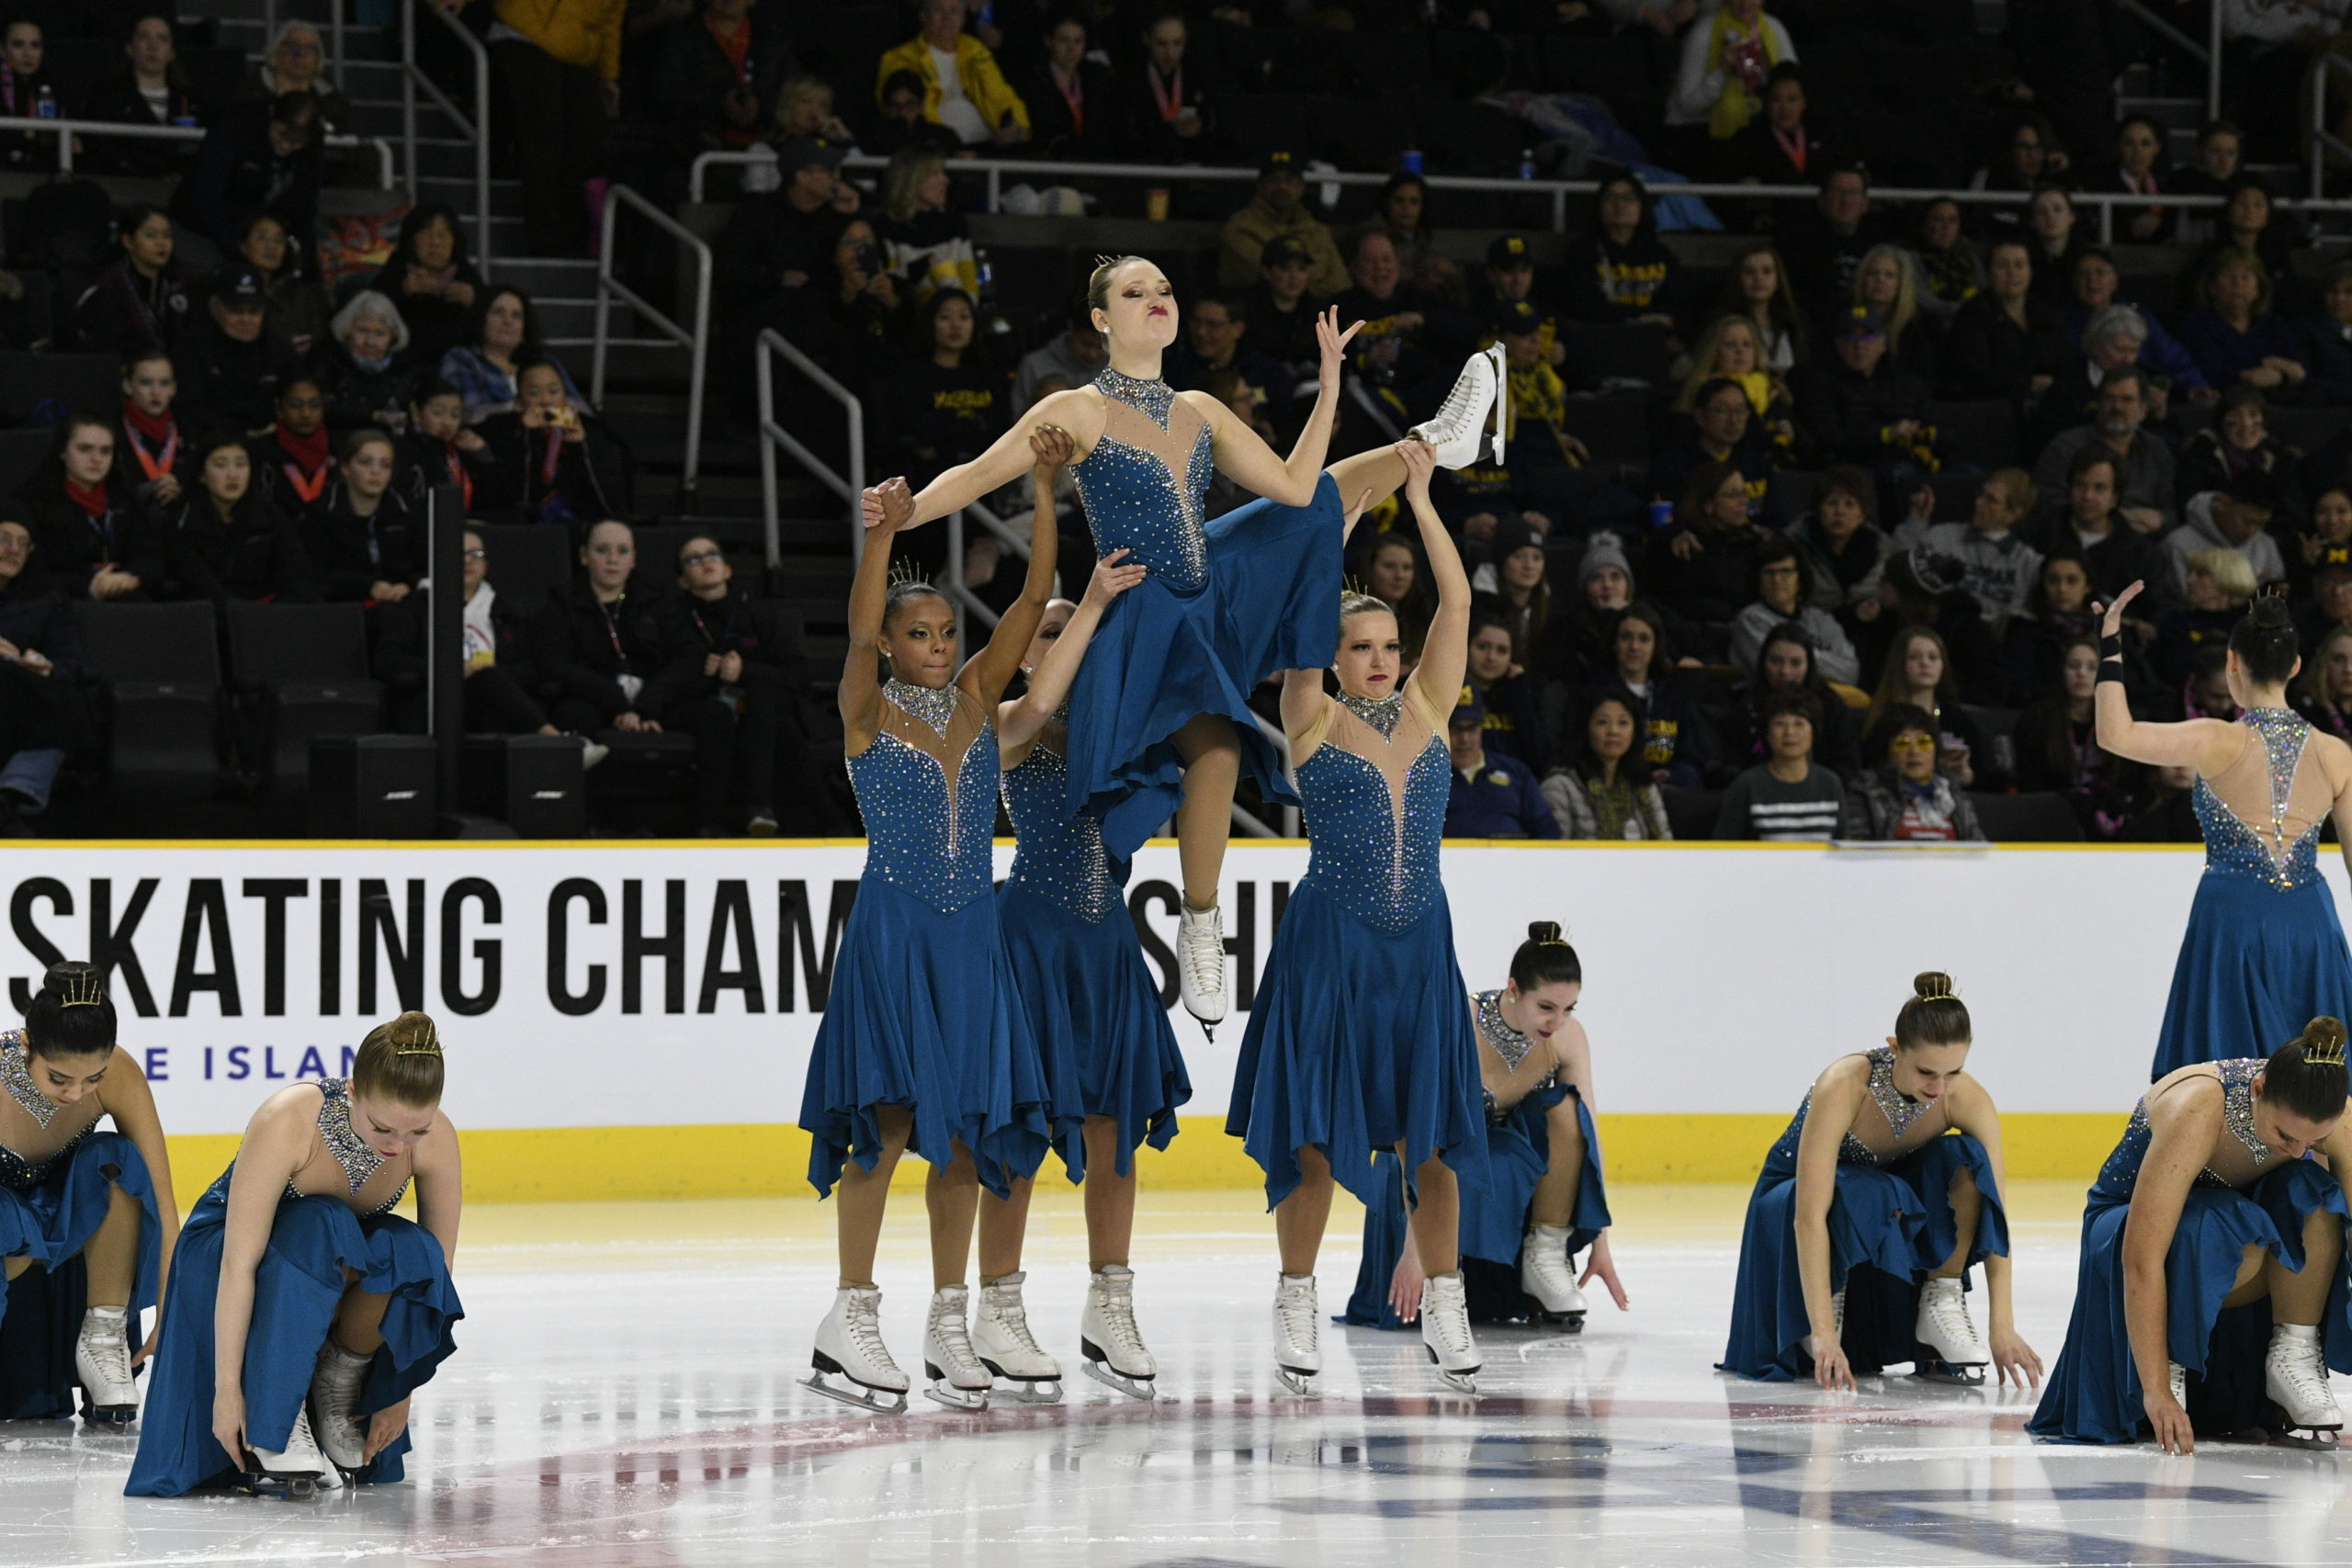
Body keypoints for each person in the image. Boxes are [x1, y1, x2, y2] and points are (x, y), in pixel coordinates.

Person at [859, 255, 1494, 1034]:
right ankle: (1200, 920)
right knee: (1218, 752)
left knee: (1316, 504)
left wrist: (1330, 384)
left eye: (1164, 288)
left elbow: (1295, 485)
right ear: (1101, 319)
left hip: (1212, 590)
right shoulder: (1078, 408)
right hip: (1141, 610)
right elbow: (981, 473)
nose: (1157, 298)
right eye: (1135, 292)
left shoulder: (1199, 408)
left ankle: (1435, 442)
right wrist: (907, 511)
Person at [796, 428, 1060, 1416]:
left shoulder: (981, 700)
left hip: (971, 942)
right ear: (893, 644)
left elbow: (1032, 602)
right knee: (887, 1122)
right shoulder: (866, 709)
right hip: (896, 936)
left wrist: (1043, 487)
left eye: (947, 633)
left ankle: (951, 1319)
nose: (940, 647)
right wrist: (884, 533)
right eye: (921, 635)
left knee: (965, 1135)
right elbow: (857, 630)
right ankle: (850, 1313)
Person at [1226, 440, 1488, 1394]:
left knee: (1431, 1141)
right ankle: (1296, 1296)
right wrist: (1318, 538)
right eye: (1359, 647)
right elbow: (1300, 616)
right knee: (1310, 1137)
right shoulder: (1310, 715)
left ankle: (1447, 1302)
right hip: (1330, 948)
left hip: (1419, 949)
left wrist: (1421, 498)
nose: (1378, 660)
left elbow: (1457, 603)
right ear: (1331, 659)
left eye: (1387, 645)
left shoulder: (1428, 707)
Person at [984, 537, 1188, 1402]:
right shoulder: (1010, 722)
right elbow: (1040, 704)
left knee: (1116, 1127)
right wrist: (1092, 602)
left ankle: (1112, 1304)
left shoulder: (1120, 735)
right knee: (1022, 1131)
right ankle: (998, 1308)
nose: (1068, 637)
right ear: (1027, 648)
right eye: (1050, 629)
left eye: (1077, 628)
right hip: (1032, 940)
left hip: (1106, 944)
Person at [126, 1010, 461, 1496]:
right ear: (352, 1090)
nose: (398, 1146)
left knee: (410, 1249)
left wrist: (399, 1387)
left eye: (417, 1133)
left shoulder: (437, 1138)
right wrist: (227, 1392)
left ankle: (338, 1384)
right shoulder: (290, 1118)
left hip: (321, 1267)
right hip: (224, 1258)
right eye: (383, 1128)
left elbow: (433, 1275)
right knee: (320, 1221)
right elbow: (239, 1265)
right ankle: (277, 1416)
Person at [2029, 1019, 2352, 1450]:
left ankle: (2293, 1352)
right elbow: (2140, 1258)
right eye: (2286, 1135)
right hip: (2129, 1229)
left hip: (2232, 1234)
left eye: (2313, 1141)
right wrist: (2156, 1388)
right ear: (2258, 1090)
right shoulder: (2198, 1108)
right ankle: (2173, 1355)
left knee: (2313, 1191)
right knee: (2219, 1219)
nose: (2297, 1151)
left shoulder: (2341, 1118)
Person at [1719, 973, 2038, 1388]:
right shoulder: (1845, 1085)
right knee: (1866, 1187)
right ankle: (1827, 1299)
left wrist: (2003, 1326)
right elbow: (1808, 1217)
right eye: (1926, 1071)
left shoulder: (1966, 1098)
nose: (1939, 1088)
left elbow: (1996, 1213)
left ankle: (1940, 1300)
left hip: (1884, 1202)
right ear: (1895, 1048)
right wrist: (1822, 1331)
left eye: (1953, 1072)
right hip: (1794, 1202)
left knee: (1966, 1159)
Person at [2094, 588, 2352, 1078]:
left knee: (2225, 1081)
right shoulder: (2336, 753)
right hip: (2311, 925)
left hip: (2232, 920)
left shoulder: (2215, 738)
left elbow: (2114, 734)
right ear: (2296, 666)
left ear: (2233, 662)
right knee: (2319, 1082)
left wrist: (2110, 642)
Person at [1346, 923, 1623, 1332]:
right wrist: (1415, 1250)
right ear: (1514, 989)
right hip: (1427, 1154)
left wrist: (1600, 1240)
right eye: (1546, 1007)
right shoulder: (1462, 1021)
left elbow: (1587, 1134)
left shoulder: (1567, 1037)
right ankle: (1443, 1278)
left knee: (1568, 1108)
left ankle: (1544, 1256)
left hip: (1502, 1154)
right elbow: (1421, 1126)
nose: (1557, 1021)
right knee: (1466, 1152)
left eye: (1569, 1009)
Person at [0, 964, 170, 1421]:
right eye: (59, 1078)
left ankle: (103, 1337)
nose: (76, 1093)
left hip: (68, 1222)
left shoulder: (122, 1074)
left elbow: (162, 1201)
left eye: (93, 1078)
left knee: (115, 1158)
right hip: (6, 1238)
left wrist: (168, 1310)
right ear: (27, 1045)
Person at [533, 522, 738, 833]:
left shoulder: (657, 597)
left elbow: (688, 655)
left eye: (622, 551)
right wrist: (618, 703)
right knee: (570, 716)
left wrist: (646, 706)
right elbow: (554, 664)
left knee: (716, 715)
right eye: (602, 550)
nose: (613, 560)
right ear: (584, 556)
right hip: (596, 699)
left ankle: (707, 825)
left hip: (655, 699)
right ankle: (586, 824)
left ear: (634, 558)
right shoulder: (562, 601)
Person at [441, 0, 619, 255]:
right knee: (544, 136)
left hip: (576, 47)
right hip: (524, 32)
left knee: (583, 143)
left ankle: (569, 236)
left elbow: (611, 21)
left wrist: (608, 75)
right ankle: (545, 238)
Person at [376, 527, 564, 742]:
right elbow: (387, 661)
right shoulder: (415, 607)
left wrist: (489, 671)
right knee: (488, 684)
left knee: (491, 697)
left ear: (486, 565)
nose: (467, 561)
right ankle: (556, 740)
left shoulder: (504, 611)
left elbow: (531, 667)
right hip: (433, 701)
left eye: (476, 554)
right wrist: (452, 670)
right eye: (458, 554)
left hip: (492, 702)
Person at [0, 523, 95, 833]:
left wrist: (45, 666)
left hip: (23, 691)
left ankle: (12, 795)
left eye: (23, 543)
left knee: (65, 699)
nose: (13, 550)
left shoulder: (45, 598)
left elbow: (71, 661)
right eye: (4, 539)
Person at [158, 433, 314, 604]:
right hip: (208, 612)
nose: (232, 475)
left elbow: (296, 575)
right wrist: (241, 615)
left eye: (241, 465)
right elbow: (200, 584)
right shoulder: (181, 522)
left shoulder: (270, 515)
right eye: (221, 465)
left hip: (268, 611)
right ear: (202, 475)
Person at [1792, 306, 1940, 484]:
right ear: (1838, 345)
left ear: (1883, 345)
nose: (1859, 345)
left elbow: (1933, 425)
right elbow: (1828, 437)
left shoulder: (1906, 383)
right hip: (1854, 469)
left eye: (1868, 337)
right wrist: (1884, 435)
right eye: (1851, 337)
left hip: (1910, 460)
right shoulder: (1819, 384)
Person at [1579, 600, 1713, 787]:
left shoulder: (1673, 698)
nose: (1634, 647)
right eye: (1626, 637)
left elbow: (1694, 756)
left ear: (1655, 646)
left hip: (1667, 791)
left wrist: (1671, 775)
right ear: (1614, 643)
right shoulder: (1592, 695)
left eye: (1644, 639)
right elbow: (1578, 753)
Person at [2031, 367, 2178, 536]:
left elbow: (2172, 508)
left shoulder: (2156, 448)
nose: (2117, 407)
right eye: (2110, 398)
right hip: (2080, 537)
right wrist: (2116, 518)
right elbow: (2047, 506)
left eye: (2127, 400)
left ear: (2143, 410)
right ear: (2098, 404)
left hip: (2146, 539)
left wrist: (2160, 519)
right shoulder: (2066, 447)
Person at [20, 417, 155, 601]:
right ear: (62, 451)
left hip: (127, 597)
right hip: (64, 603)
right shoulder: (35, 502)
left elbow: (151, 556)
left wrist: (129, 577)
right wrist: (89, 587)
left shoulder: (126, 498)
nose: (96, 459)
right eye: (85, 449)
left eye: (105, 451)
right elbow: (33, 574)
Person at [181, 92, 322, 258]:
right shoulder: (235, 127)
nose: (286, 146)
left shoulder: (311, 147)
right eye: (281, 134)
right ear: (271, 115)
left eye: (296, 142)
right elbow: (205, 199)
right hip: (211, 229)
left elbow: (305, 208)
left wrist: (295, 253)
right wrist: (240, 246)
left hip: (270, 236)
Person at [876, 0, 1028, 151]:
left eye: (954, 11)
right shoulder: (900, 58)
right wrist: (948, 145)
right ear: (923, 17)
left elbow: (1001, 95)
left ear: (963, 19)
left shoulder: (975, 50)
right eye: (939, 10)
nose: (947, 18)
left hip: (989, 145)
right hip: (935, 149)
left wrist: (1019, 128)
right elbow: (910, 112)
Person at [1719, 620, 1862, 776]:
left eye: (1796, 663)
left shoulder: (1831, 706)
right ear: (1763, 662)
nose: (1785, 671)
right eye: (1776, 661)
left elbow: (1847, 765)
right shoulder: (1748, 706)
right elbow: (1736, 762)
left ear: (1809, 666)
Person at [172, 264, 300, 433]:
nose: (246, 320)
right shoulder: (192, 348)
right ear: (215, 308)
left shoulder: (279, 350)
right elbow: (189, 410)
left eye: (254, 311)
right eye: (236, 311)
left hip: (270, 439)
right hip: (213, 440)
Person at [1939, 237, 2069, 404]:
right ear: (1988, 272)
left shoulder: (2047, 314)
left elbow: (2065, 362)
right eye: (2002, 265)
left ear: (2030, 271)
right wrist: (2028, 382)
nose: (2011, 272)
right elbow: (1975, 374)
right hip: (1993, 405)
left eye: (2019, 265)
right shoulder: (1972, 315)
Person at [1649, 457, 1771, 632]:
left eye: (1744, 493)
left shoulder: (1753, 541)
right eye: (1734, 495)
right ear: (1709, 505)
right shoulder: (1684, 543)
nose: (1743, 501)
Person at [1713, 686, 1846, 840]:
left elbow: (1842, 845)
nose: (1789, 732)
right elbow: (1723, 847)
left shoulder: (1830, 783)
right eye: (1780, 724)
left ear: (1813, 732)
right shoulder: (1747, 785)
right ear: (1767, 733)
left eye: (1799, 724)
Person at [358, 207, 482, 369]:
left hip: (457, 367)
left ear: (454, 242)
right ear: (412, 240)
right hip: (401, 365)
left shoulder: (466, 274)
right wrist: (404, 290)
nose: (435, 243)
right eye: (427, 234)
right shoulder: (397, 270)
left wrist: (475, 301)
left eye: (442, 236)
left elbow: (491, 315)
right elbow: (367, 310)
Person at [1842, 704, 1989, 840]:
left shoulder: (1952, 793)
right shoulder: (1866, 791)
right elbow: (1857, 848)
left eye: (1923, 742)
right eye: (1903, 743)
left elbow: (1978, 847)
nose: (1914, 751)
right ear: (1886, 751)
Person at [438, 288, 582, 427]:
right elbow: (466, 418)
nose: (508, 321)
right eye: (498, 313)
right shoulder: (462, 359)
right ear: (481, 319)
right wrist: (518, 412)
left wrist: (540, 417)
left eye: (516, 315)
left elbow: (580, 412)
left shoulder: (544, 360)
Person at [303, 431, 417, 606]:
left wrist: (408, 585)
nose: (375, 471)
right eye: (365, 462)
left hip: (401, 605)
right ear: (345, 468)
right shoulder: (321, 512)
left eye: (385, 465)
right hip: (340, 608)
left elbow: (425, 565)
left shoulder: (407, 510)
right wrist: (367, 587)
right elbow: (315, 574)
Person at [1727, 535, 1860, 684]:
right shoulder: (1750, 620)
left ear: (1800, 579)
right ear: (1758, 580)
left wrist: (1802, 659)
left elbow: (1850, 671)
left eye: (1786, 571)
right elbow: (1780, 674)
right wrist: (1823, 659)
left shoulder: (1820, 619)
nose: (1777, 580)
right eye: (1769, 572)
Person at [84, 15, 204, 179]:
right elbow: (102, 148)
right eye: (144, 37)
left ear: (171, 53)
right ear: (130, 48)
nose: (153, 46)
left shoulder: (193, 101)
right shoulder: (107, 95)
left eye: (162, 39)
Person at [2180, 249, 2312, 397]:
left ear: (2258, 289)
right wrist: (2264, 370)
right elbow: (2208, 372)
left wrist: (2279, 376)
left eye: (2246, 277)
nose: (2238, 284)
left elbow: (2302, 368)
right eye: (2228, 276)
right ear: (2212, 287)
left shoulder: (2273, 325)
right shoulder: (2198, 324)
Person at [1217, 152, 1349, 298]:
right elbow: (1269, 281)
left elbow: (1340, 283)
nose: (1282, 186)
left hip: (1314, 309)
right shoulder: (1239, 228)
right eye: (1274, 180)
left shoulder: (1317, 230)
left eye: (1289, 181)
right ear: (1260, 187)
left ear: (1301, 188)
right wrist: (1318, 273)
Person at [1921, 468, 2044, 624]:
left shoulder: (2027, 563)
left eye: (1991, 500)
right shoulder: (1943, 535)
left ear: (2012, 514)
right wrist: (1916, 522)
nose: (1979, 502)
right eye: (1981, 494)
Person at [1665, 0, 1795, 143]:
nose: (1745, 4)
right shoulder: (1704, 31)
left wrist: (1765, 72)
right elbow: (1688, 106)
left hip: (1753, 125)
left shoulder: (1773, 28)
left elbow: (1795, 85)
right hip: (1697, 128)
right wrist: (1722, 72)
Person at [1544, 694, 1671, 838]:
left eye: (1623, 723)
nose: (1613, 731)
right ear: (1586, 728)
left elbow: (1665, 843)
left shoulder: (1643, 784)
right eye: (1602, 722)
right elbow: (1555, 849)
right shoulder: (1560, 787)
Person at [72, 205, 189, 357]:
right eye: (150, 235)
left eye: (167, 235)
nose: (161, 243)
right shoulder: (108, 287)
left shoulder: (180, 282)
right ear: (128, 241)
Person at [1444, 686, 1560, 839]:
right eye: (1455, 729)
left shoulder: (1515, 772)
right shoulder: (1427, 777)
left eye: (1472, 728)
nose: (1464, 739)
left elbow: (1547, 831)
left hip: (1512, 854)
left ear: (1482, 727)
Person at [1565, 175, 1680, 328]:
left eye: (1629, 198)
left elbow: (1677, 304)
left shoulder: (1661, 255)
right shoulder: (1582, 251)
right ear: (1599, 207)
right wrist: (1641, 317)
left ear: (1642, 206)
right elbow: (1583, 305)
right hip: (1602, 335)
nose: (1619, 204)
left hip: (1653, 337)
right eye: (1610, 198)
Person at [2179, 386, 2306, 525]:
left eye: (2253, 415)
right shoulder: (2202, 455)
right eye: (2236, 417)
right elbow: (2191, 506)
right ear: (2221, 422)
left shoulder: (2280, 458)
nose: (2246, 425)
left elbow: (2292, 511)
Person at [1779, 166, 1883, 324]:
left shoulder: (1878, 245)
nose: (1845, 200)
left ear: (1865, 203)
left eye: (1854, 193)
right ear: (1822, 200)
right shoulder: (1796, 245)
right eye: (1837, 191)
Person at [875, 148, 977, 309]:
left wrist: (940, 272)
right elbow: (887, 289)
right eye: (935, 174)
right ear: (911, 180)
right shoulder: (884, 225)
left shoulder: (954, 223)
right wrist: (920, 268)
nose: (946, 180)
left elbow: (970, 296)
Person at [312, 292, 418, 438]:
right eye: (362, 331)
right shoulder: (327, 360)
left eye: (380, 334)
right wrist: (374, 415)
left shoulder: (404, 368)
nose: (370, 342)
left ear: (392, 337)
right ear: (347, 331)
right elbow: (319, 406)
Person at [2166, 470, 2287, 597]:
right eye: (2247, 522)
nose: (2252, 531)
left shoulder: (2265, 545)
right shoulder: (2177, 546)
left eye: (2261, 524)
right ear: (2223, 503)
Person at [1792, 463, 1891, 617]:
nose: (1840, 511)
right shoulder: (1794, 544)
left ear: (1863, 514)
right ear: (1818, 509)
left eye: (1849, 504)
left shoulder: (1882, 546)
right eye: (1832, 502)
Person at [2005, 552, 2102, 705]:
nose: (2062, 588)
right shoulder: (2024, 629)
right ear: (2043, 584)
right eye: (2053, 580)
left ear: (2087, 586)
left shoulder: (2109, 630)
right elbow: (2021, 687)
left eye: (2072, 580)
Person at [231, 214, 330, 361]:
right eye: (262, 237)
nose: (272, 246)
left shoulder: (305, 295)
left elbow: (318, 344)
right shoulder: (225, 290)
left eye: (279, 240)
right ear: (243, 246)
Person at [1020, 14, 1115, 161]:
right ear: (1048, 41)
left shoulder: (1097, 80)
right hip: (1051, 164)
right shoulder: (1033, 83)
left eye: (1078, 41)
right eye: (1063, 40)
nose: (1071, 49)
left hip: (1093, 164)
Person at [1705, 241, 1807, 374]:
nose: (1758, 278)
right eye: (1749, 272)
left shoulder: (1794, 321)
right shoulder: (1723, 322)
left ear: (1778, 278)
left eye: (1766, 271)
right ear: (1738, 278)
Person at [246, 377, 335, 524]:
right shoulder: (259, 450)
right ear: (279, 409)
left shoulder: (338, 448)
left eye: (314, 405)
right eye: (295, 405)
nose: (306, 413)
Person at [395, 378, 491, 513]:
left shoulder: (463, 449)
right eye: (438, 413)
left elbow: (491, 499)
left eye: (455, 415)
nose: (447, 422)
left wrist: (482, 454)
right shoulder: (406, 452)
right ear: (416, 414)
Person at [2085, 114, 2175, 243]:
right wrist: (2129, 229)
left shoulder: (2167, 186)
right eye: (2129, 143)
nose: (2137, 152)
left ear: (2156, 148)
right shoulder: (2100, 183)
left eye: (2145, 143)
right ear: (2118, 147)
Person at [117, 350, 188, 511]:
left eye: (164, 383)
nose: (156, 392)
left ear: (174, 389)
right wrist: (140, 492)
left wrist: (181, 491)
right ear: (127, 386)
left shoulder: (188, 429)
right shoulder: (112, 431)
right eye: (146, 383)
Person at [1911, 197, 1984, 321]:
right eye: (1938, 219)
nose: (1946, 226)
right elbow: (1924, 301)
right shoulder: (1911, 258)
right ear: (1924, 224)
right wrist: (1967, 312)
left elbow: (1984, 289)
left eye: (1953, 220)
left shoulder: (1970, 255)